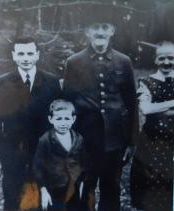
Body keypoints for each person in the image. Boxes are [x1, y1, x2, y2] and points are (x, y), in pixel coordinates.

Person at [64, 22, 137, 211]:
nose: (100, 32)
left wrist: (131, 141)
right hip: (84, 139)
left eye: (105, 27)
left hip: (115, 139)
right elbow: (67, 103)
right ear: (87, 31)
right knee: (83, 187)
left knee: (111, 188)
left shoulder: (124, 61)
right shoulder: (74, 62)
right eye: (95, 27)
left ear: (112, 31)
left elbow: (131, 103)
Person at [0, 37, 61, 210]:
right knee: (14, 201)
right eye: (21, 53)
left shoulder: (51, 82)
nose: (25, 58)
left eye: (29, 53)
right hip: (13, 153)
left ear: (37, 55)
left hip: (45, 153)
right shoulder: (2, 83)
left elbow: (58, 117)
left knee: (45, 201)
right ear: (14, 56)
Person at [130, 41, 174, 211]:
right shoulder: (147, 82)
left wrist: (161, 108)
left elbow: (154, 108)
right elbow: (146, 109)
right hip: (153, 143)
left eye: (171, 58)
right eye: (162, 58)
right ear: (156, 60)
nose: (167, 62)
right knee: (152, 190)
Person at [33, 99, 87, 211]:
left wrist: (82, 183)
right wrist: (43, 190)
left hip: (74, 187)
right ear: (50, 119)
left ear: (73, 119)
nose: (63, 123)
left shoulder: (78, 139)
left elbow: (83, 163)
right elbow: (38, 167)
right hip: (54, 189)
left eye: (67, 118)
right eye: (58, 119)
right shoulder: (45, 140)